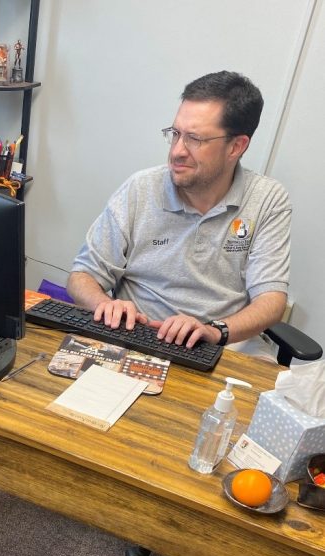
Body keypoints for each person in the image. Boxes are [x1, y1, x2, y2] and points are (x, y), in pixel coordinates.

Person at [67, 71, 291, 359]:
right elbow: (82, 275)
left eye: (195, 139)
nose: (177, 152)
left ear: (236, 146)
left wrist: (215, 331)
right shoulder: (141, 188)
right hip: (137, 337)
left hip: (222, 346)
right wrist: (104, 303)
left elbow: (271, 300)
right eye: (175, 134)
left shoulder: (267, 199)